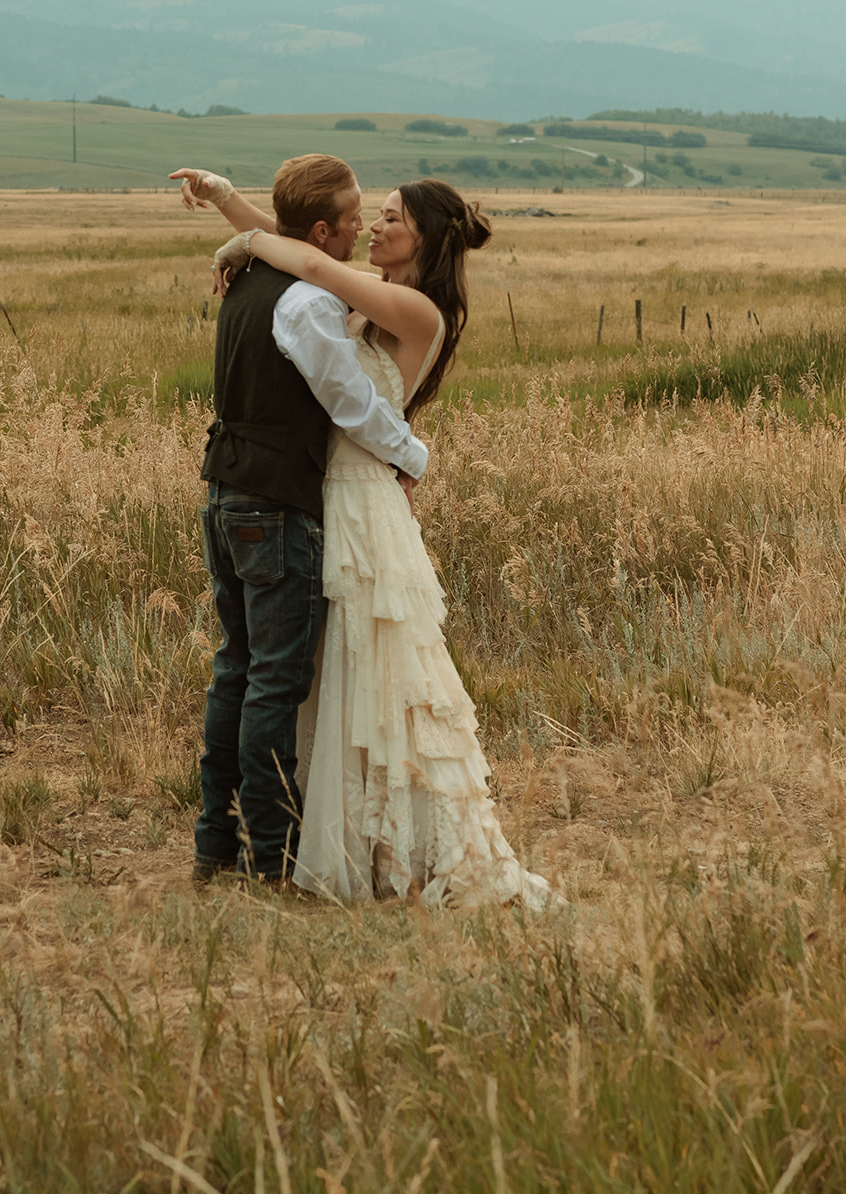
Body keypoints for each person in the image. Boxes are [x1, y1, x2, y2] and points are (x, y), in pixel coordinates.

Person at [177, 168, 557, 911]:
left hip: (358, 501)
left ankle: (353, 842)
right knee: (316, 675)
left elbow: (308, 256)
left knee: (357, 672)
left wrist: (240, 239)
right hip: (319, 495)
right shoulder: (360, 290)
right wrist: (234, 216)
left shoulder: (416, 308)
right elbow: (305, 245)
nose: (375, 228)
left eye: (390, 219)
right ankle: (311, 831)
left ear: (425, 240)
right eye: (370, 216)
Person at [172, 156, 429, 887]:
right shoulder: (308, 304)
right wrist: (411, 456)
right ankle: (272, 855)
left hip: (224, 493)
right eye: (353, 218)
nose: (360, 227)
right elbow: (348, 402)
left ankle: (213, 844)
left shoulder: (253, 280)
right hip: (274, 507)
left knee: (236, 673)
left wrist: (230, 215)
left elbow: (282, 247)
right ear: (320, 229)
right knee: (273, 685)